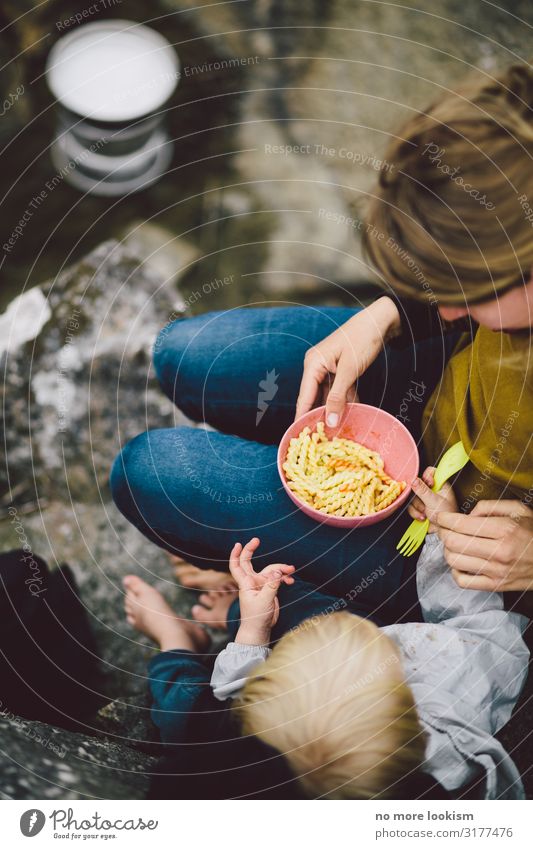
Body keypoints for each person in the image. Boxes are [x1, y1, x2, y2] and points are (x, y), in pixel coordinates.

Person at [110, 62, 533, 616]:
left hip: (454, 557)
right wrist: (391, 313)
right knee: (188, 354)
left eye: (473, 288)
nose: (450, 305)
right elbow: (451, 296)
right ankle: (259, 546)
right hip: (439, 385)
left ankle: (268, 575)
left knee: (147, 474)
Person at [124, 474, 529, 799]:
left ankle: (183, 639)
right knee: (271, 610)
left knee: (184, 709)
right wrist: (441, 535)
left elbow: (230, 700)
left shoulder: (245, 765)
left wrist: (251, 630)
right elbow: (480, 626)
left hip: (223, 727)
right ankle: (228, 615)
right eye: (373, 639)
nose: (338, 621)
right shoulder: (455, 687)